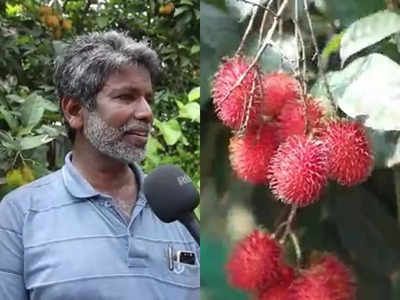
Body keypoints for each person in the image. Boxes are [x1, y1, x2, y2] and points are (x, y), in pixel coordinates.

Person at [0, 31, 200, 300]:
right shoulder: (18, 215)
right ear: (74, 111)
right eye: (126, 97)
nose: (146, 112)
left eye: (148, 99)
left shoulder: (178, 210)